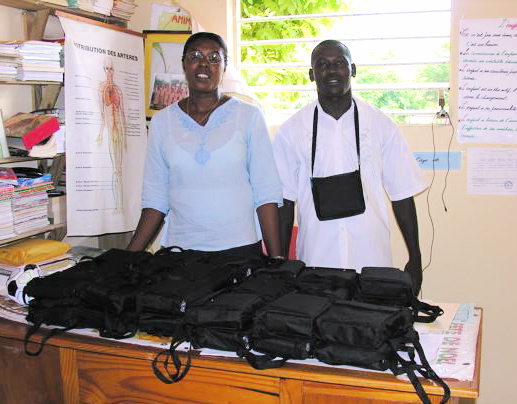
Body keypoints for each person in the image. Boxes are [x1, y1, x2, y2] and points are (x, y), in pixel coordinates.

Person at [273, 40, 427, 294]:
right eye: (322, 64)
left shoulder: (380, 125)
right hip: (315, 262)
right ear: (312, 74)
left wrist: (415, 256)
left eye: (340, 63)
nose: (331, 71)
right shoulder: (292, 131)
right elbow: (285, 202)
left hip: (372, 260)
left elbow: (402, 195)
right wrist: (280, 264)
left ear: (352, 69)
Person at [127, 32, 283, 259]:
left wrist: (277, 261)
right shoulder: (162, 122)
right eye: (195, 56)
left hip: (240, 252)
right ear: (184, 64)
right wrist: (126, 260)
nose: (204, 64)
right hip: (180, 254)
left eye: (214, 58)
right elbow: (155, 198)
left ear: (225, 67)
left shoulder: (249, 116)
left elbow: (266, 193)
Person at [98, 57, 127, 212]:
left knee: (120, 169)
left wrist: (127, 139)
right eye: (106, 69)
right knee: (114, 169)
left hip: (119, 131)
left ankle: (120, 205)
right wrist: (101, 134)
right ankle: (116, 205)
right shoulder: (102, 88)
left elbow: (122, 113)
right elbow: (103, 113)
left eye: (111, 69)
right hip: (110, 130)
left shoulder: (118, 90)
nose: (109, 72)